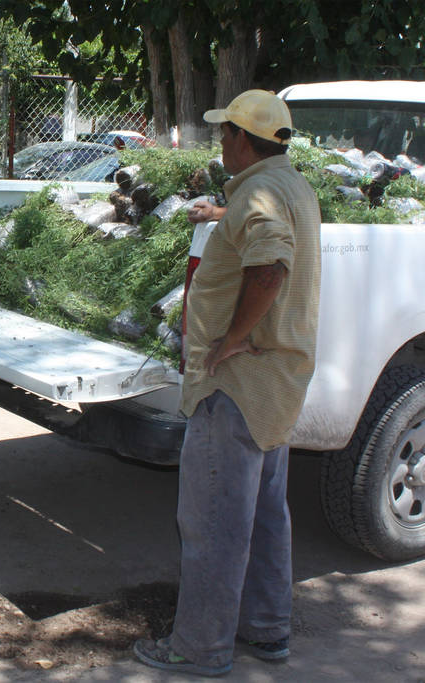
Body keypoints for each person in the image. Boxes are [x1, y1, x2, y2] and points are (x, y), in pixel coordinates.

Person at [133, 90, 321, 677]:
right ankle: (266, 631)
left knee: (213, 521)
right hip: (276, 384)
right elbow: (264, 234)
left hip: (236, 384)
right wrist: (222, 217)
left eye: (224, 136)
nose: (219, 145)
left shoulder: (260, 195)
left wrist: (233, 337)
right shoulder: (289, 185)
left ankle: (200, 647)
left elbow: (270, 265)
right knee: (265, 513)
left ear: (243, 138)